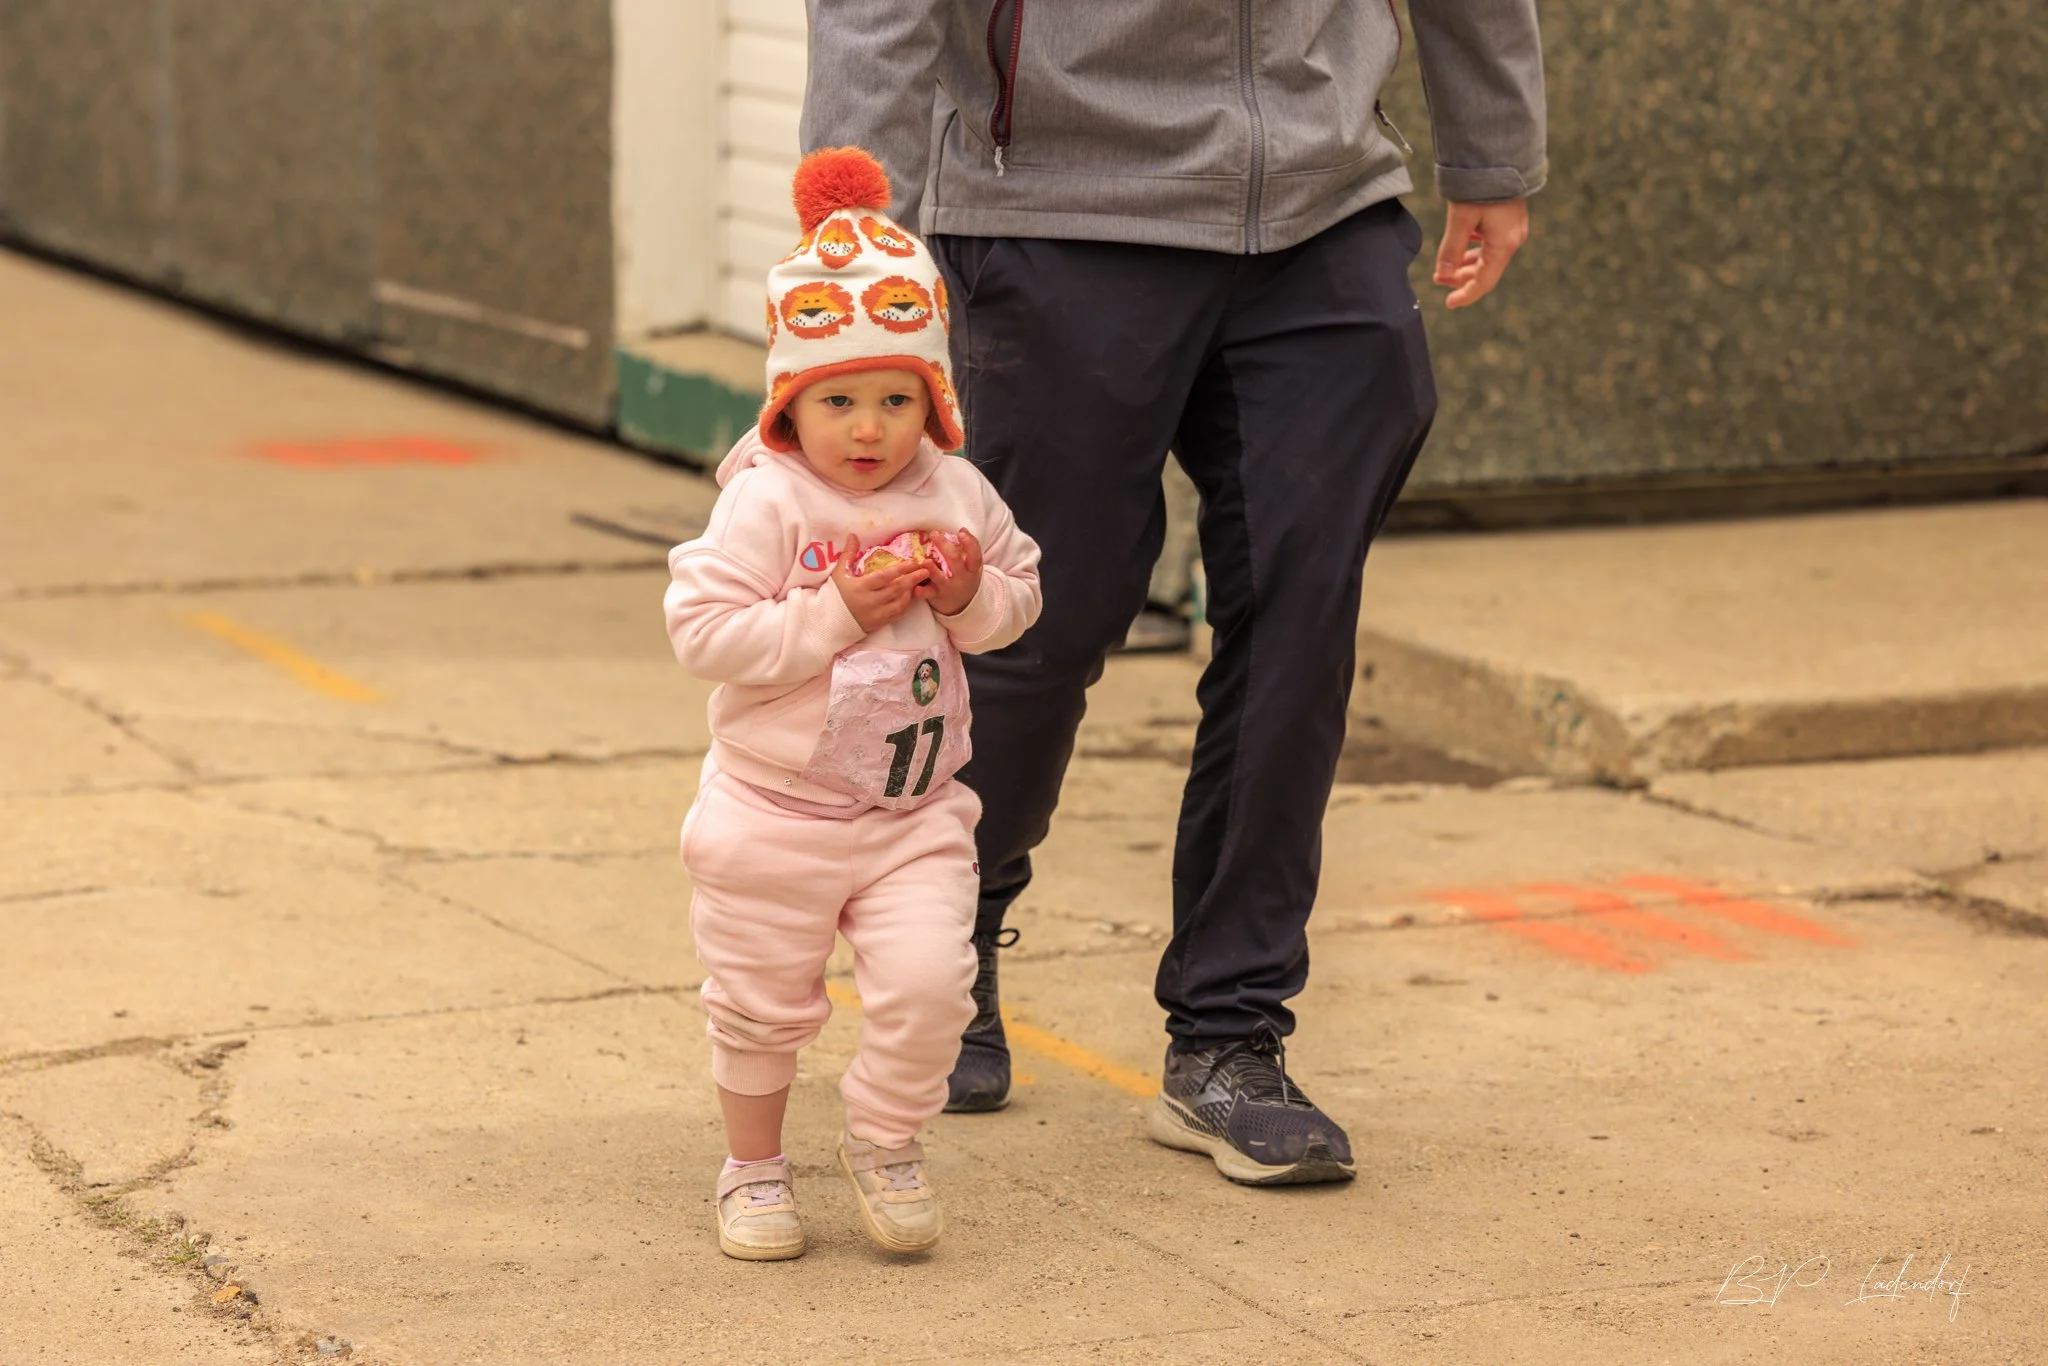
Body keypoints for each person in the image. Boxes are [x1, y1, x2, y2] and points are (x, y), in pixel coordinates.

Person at [802, 2, 1545, 1184]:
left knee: (1299, 623)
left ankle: (1228, 1033)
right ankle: (950, 927)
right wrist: (852, 248)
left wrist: (1490, 148)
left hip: (1320, 206)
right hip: (1057, 206)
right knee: (1034, 617)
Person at [665, 148, 1042, 1259]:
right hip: (770, 814)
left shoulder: (956, 490)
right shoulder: (767, 503)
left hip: (912, 812)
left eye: (896, 400)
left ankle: (884, 1140)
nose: (869, 430)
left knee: (934, 986)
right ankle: (753, 1167)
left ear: (935, 402)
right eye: (838, 401)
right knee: (759, 1006)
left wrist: (969, 595)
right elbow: (703, 633)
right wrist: (832, 611)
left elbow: (1020, 598)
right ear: (790, 403)